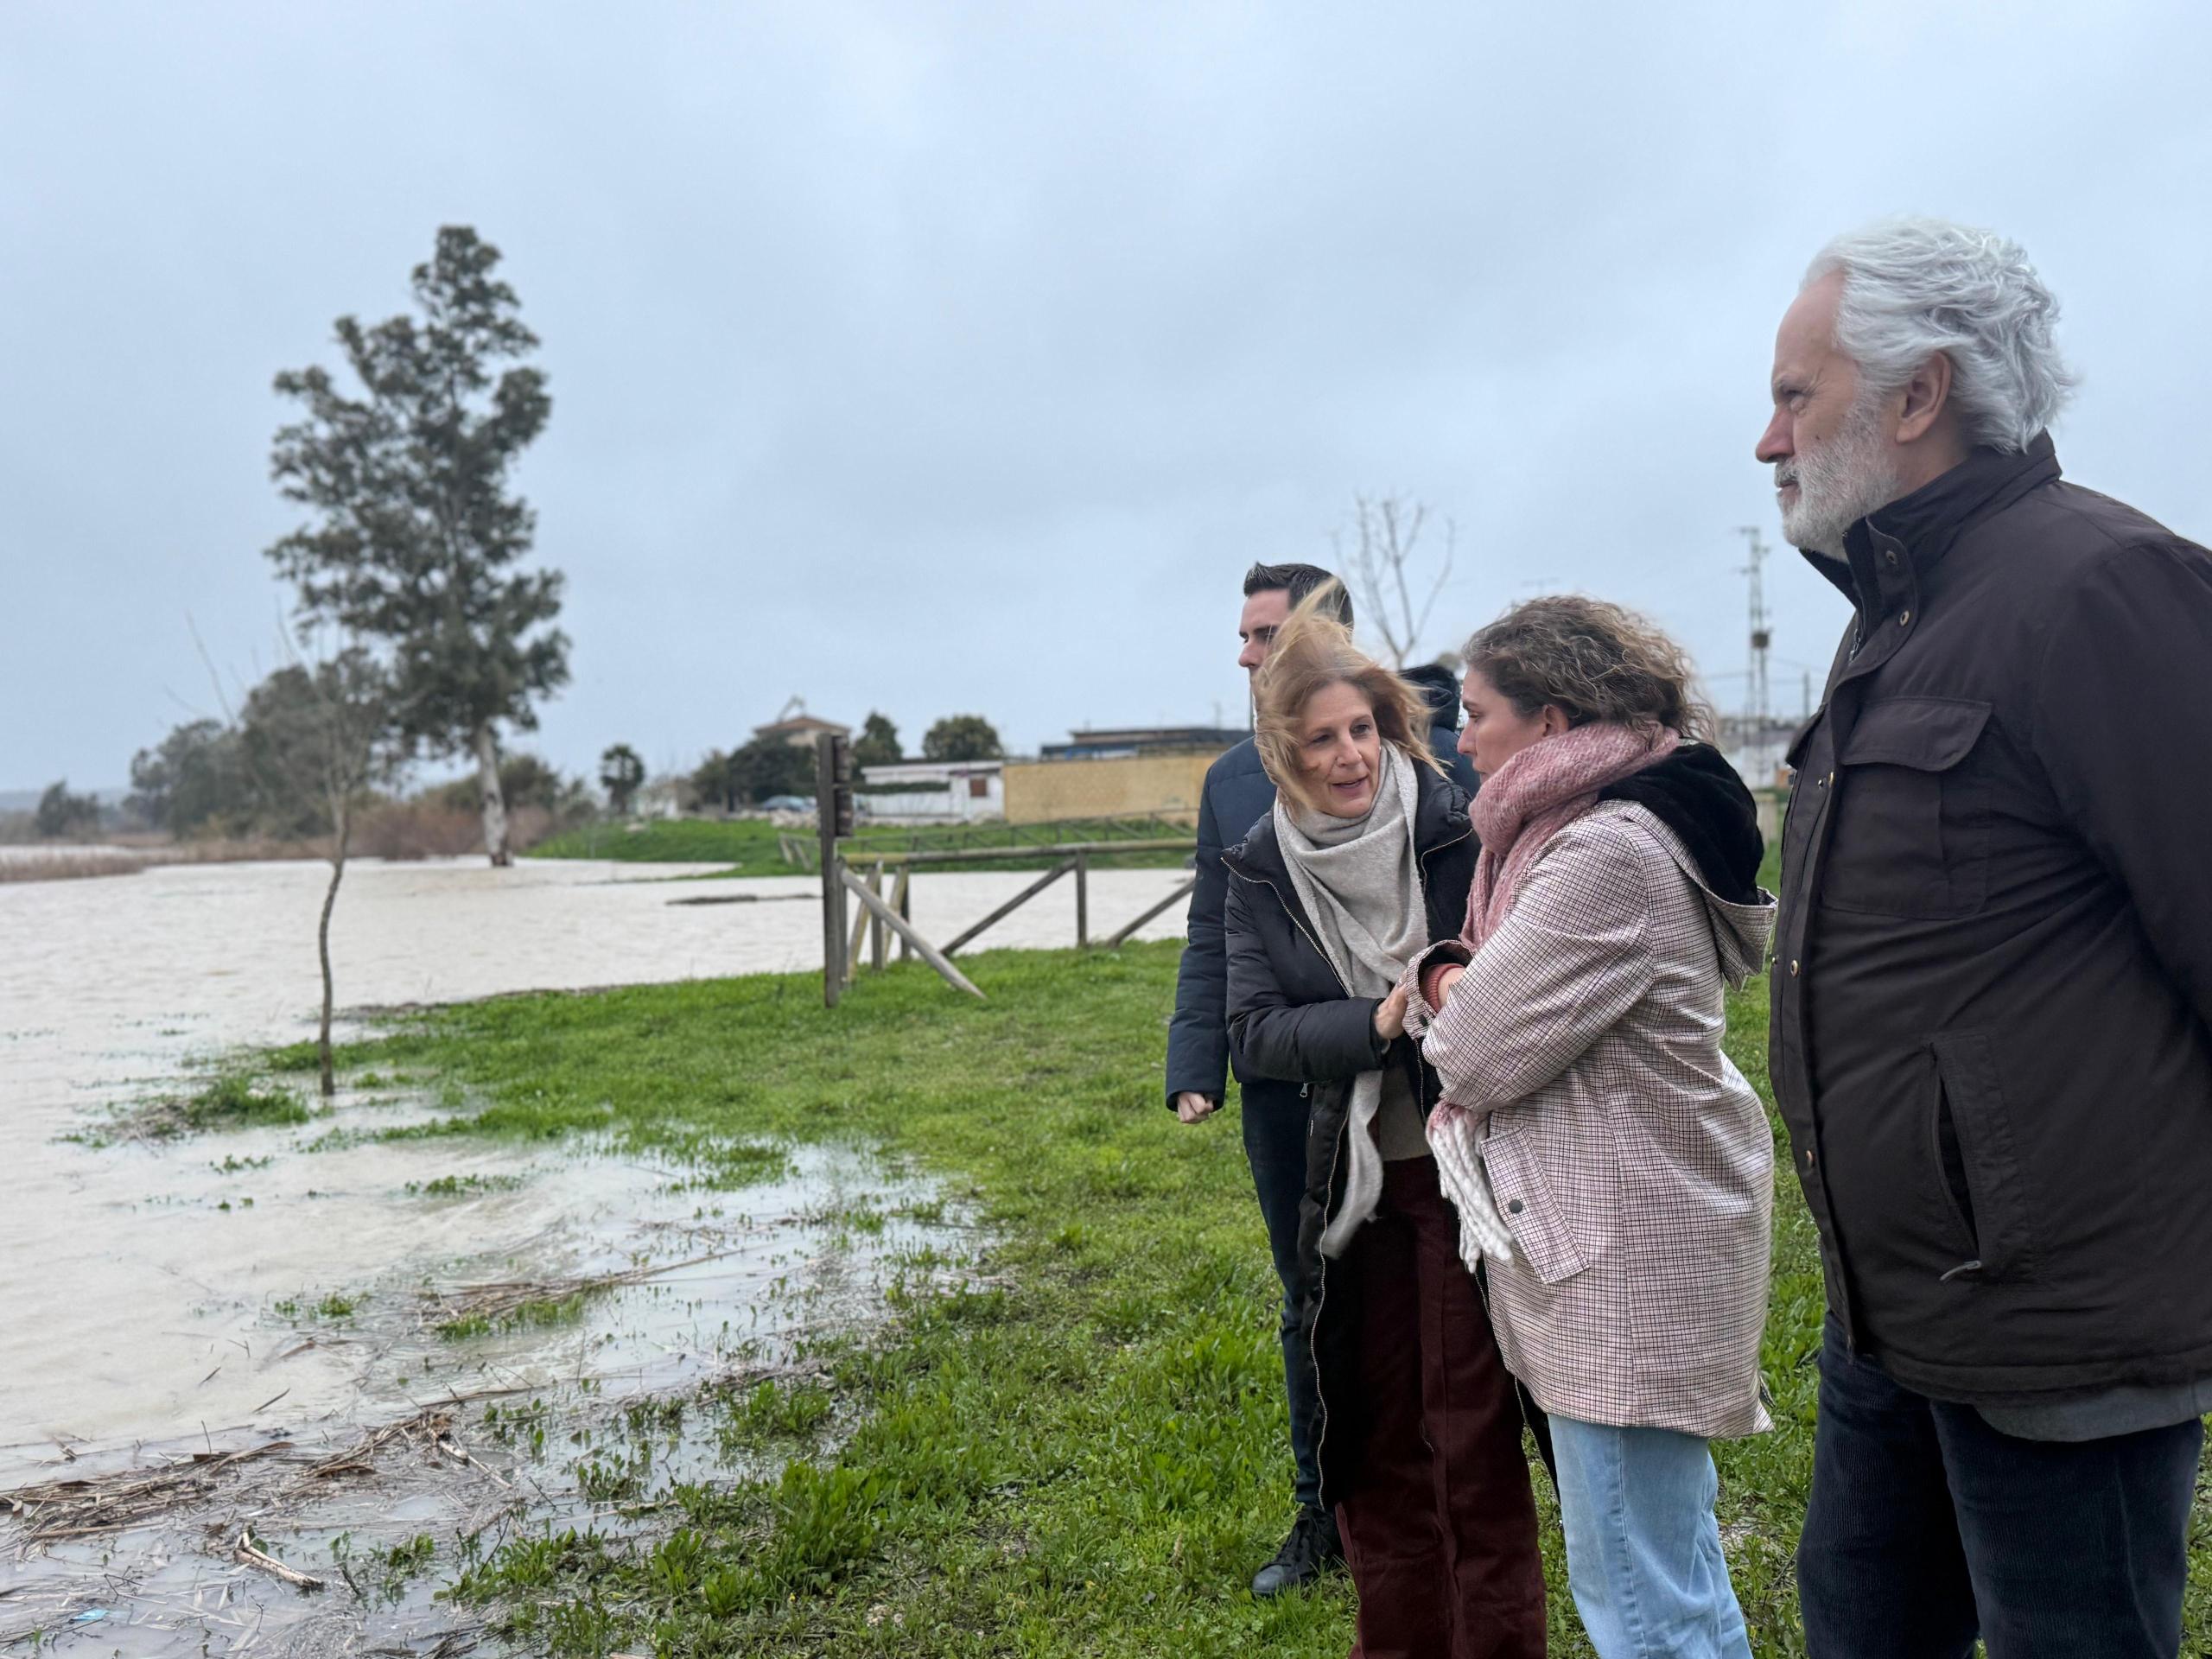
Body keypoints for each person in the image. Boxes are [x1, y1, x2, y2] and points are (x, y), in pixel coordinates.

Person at [1757, 217, 2212, 1657]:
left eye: (1792, 394)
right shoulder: (1893, 616)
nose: (1767, 441)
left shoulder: (2102, 590)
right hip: (1890, 1321)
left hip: (2063, 1333)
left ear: (1916, 394)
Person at [1403, 595, 1775, 1657]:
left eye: (1474, 714)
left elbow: (1473, 1050)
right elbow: (1482, 1004)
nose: (1457, 736)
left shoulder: (1602, 852)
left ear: (1554, 724)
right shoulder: (1570, 833)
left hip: (1622, 1251)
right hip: (1629, 1231)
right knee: (1671, 1563)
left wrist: (1439, 979)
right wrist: (1460, 981)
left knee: (1639, 1592)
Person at [1221, 591, 1545, 1656]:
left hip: (1458, 1182)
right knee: (1370, 1447)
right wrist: (1376, 1018)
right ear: (1282, 751)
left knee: (1471, 1439)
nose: (1349, 755)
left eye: (1361, 728)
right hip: (1345, 1189)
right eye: (1320, 739)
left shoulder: (1460, 823)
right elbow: (1257, 1032)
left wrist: (1447, 989)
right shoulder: (1260, 864)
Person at [1163, 560, 1477, 1597]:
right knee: (1312, 1299)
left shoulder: (1437, 781)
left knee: (1447, 1299)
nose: (1246, 654)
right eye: (1246, 637)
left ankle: (1456, 1495)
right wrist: (1193, 1058)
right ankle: (1322, 1512)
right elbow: (1213, 939)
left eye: (1263, 636)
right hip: (1298, 1097)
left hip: (1432, 1098)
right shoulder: (1231, 788)